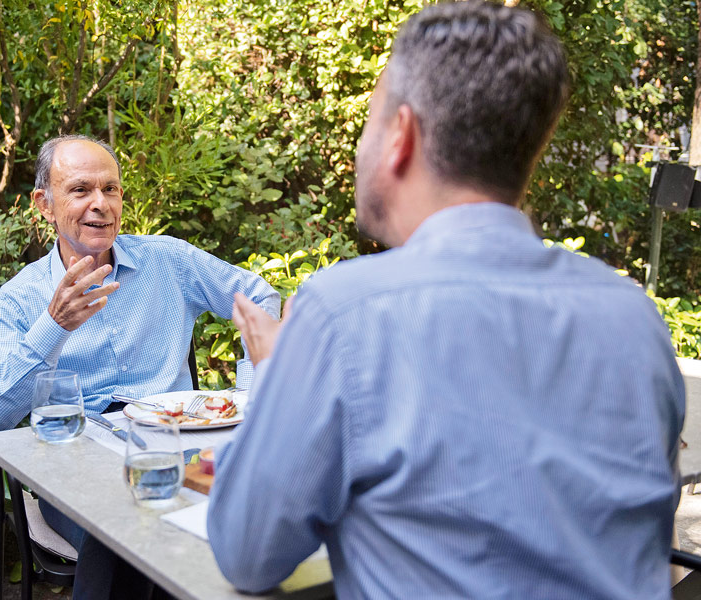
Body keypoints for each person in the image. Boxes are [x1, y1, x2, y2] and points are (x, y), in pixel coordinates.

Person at [207, 3, 685, 599]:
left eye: (369, 122)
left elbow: (246, 552)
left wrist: (278, 373)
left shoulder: (344, 315)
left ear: (400, 136)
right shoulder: (635, 319)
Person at [0, 135, 280, 598]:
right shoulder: (19, 299)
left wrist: (251, 395)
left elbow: (259, 297)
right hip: (77, 470)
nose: (101, 204)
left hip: (180, 450)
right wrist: (52, 327)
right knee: (119, 532)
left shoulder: (169, 260)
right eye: (80, 190)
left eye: (110, 189)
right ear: (44, 204)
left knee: (258, 509)